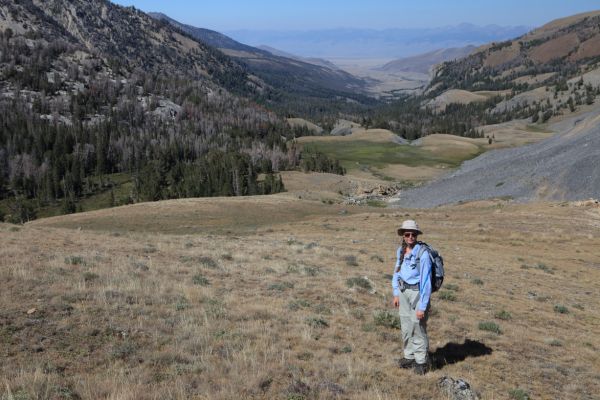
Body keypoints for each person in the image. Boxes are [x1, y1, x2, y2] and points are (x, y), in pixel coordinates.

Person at [391, 220, 432, 375]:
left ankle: (421, 362)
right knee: (406, 325)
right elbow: (397, 272)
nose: (410, 237)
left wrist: (422, 306)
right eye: (407, 234)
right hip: (402, 291)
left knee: (418, 327)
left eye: (413, 234)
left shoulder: (423, 254)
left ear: (417, 235)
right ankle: (409, 356)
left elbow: (426, 282)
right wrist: (396, 292)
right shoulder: (400, 251)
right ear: (403, 235)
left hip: (417, 293)